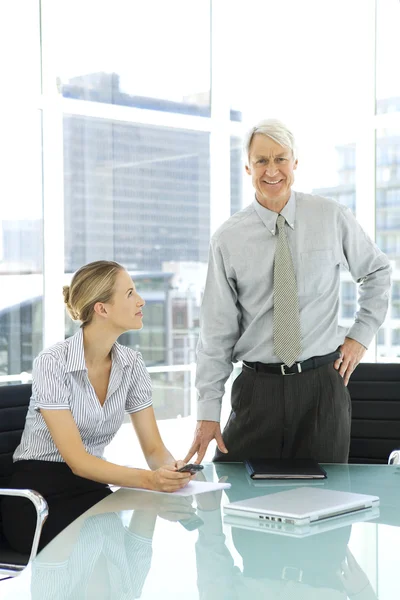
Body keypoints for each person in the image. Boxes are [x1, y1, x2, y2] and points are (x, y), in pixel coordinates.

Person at [185, 119, 391, 464]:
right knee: (242, 499)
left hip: (322, 388)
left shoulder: (331, 217)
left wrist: (360, 335)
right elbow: (215, 333)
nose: (272, 170)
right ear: (248, 166)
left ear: (295, 162)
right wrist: (207, 410)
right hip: (256, 390)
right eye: (262, 160)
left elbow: (378, 271)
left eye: (280, 159)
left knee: (325, 505)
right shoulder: (227, 239)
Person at [2, 260, 193, 554]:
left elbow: (155, 451)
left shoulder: (132, 364)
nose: (141, 300)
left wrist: (169, 470)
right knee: (96, 548)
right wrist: (149, 480)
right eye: (130, 293)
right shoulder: (52, 363)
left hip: (92, 488)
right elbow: (78, 461)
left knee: (148, 513)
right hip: (39, 496)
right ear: (101, 308)